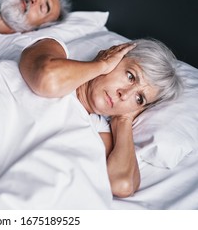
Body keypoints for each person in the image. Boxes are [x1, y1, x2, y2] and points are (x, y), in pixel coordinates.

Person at [18, 37, 182, 197]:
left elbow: (121, 185)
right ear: (114, 56)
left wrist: (124, 120)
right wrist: (101, 64)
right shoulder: (54, 49)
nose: (124, 95)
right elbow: (47, 79)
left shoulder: (98, 129)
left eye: (139, 98)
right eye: (131, 76)